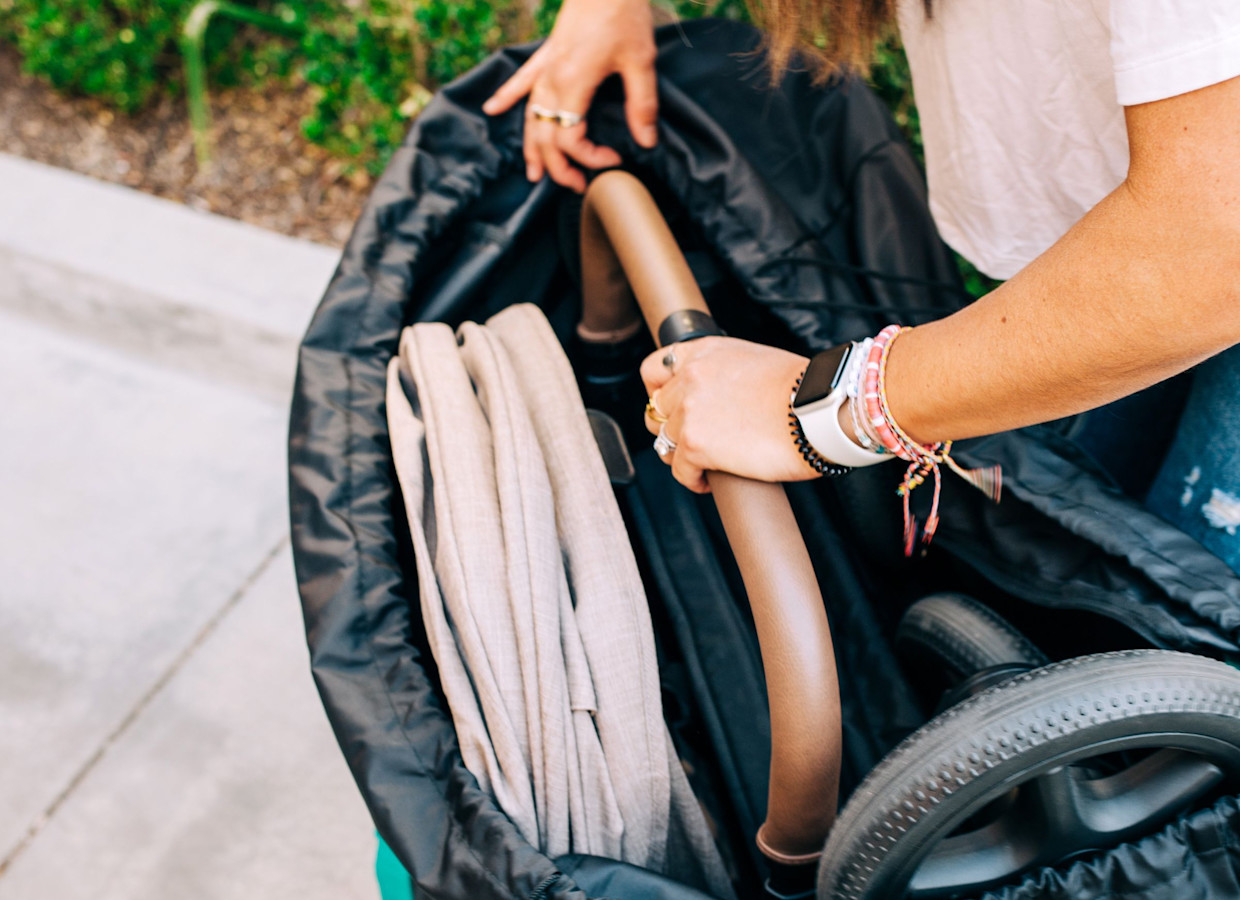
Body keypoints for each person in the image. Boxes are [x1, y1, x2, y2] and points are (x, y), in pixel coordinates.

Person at [482, 0, 1240, 568]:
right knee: (1084, 545)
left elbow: (1212, 247)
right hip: (1112, 240)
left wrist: (825, 409)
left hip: (1194, 260)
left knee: (1172, 640)